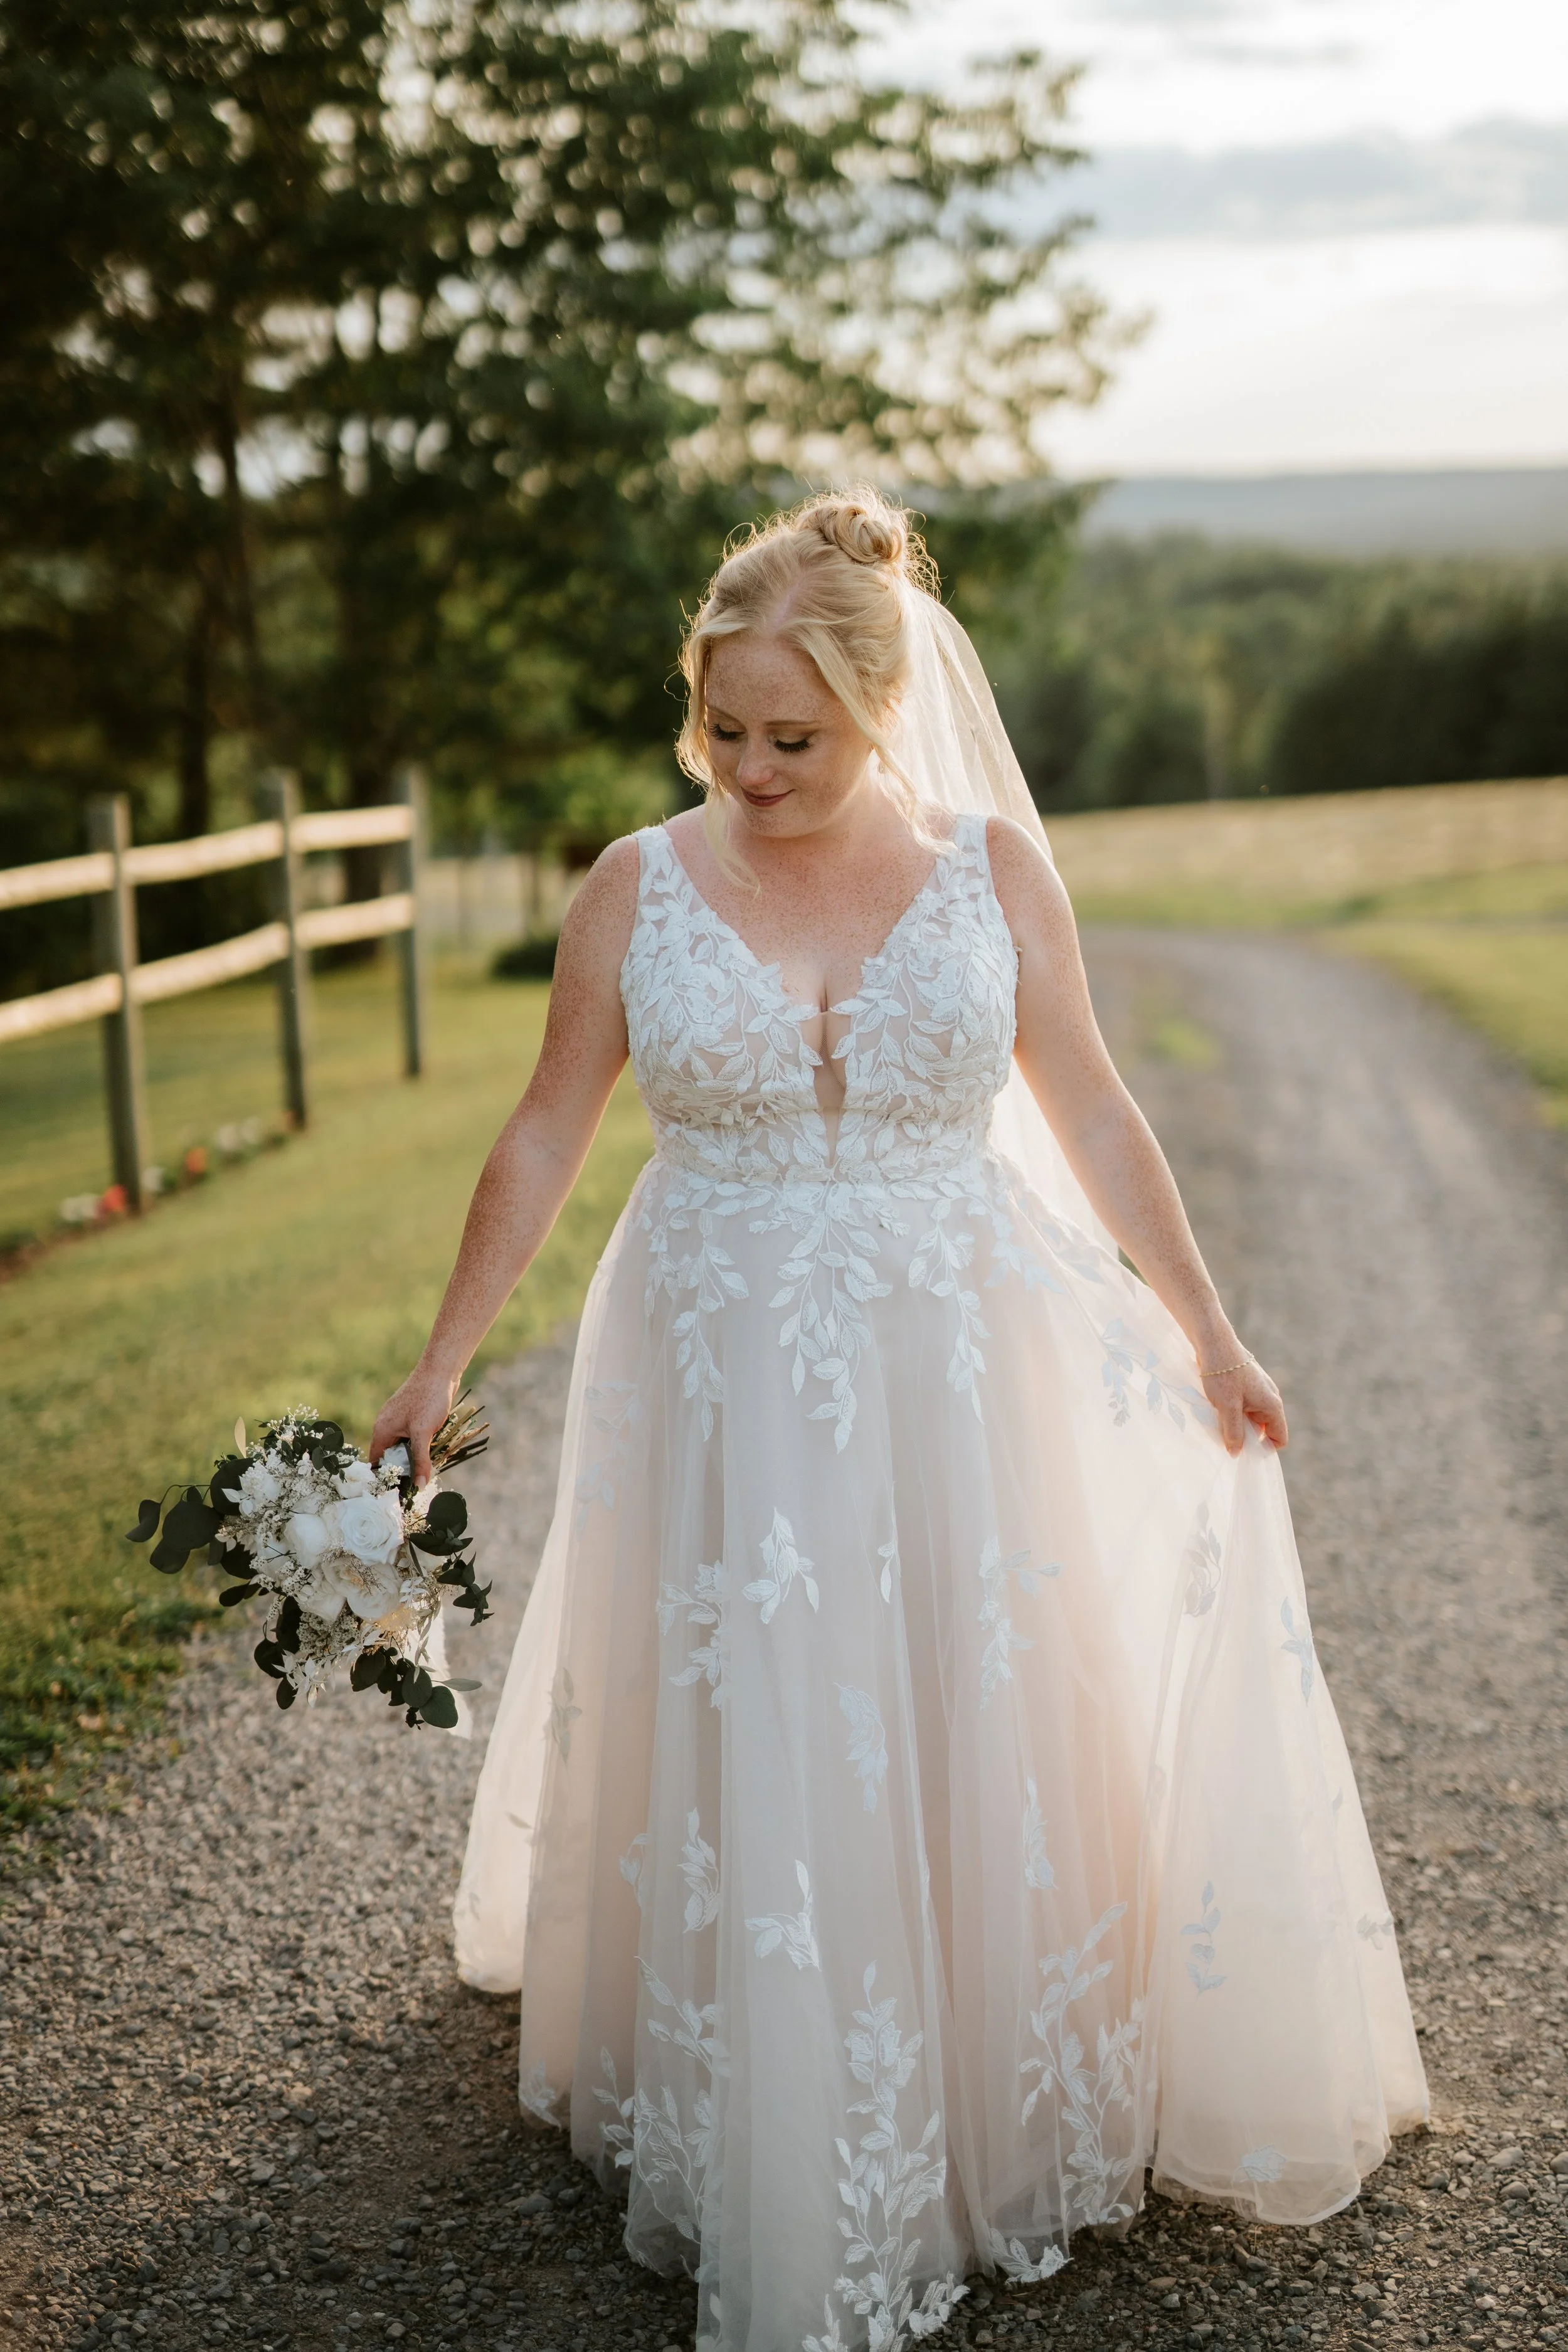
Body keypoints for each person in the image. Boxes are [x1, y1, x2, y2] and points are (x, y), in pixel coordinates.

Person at [371, 490, 1427, 2352]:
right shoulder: (633, 885)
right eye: (725, 730)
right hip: (723, 1374)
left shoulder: (993, 871)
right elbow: (544, 1128)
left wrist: (1208, 1324)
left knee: (973, 1692)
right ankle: (768, 2082)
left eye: (797, 736)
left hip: (963, 1357)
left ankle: (995, 2069)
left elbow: (1091, 1105)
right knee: (769, 1707)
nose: (755, 768)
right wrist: (442, 1359)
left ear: (883, 709)